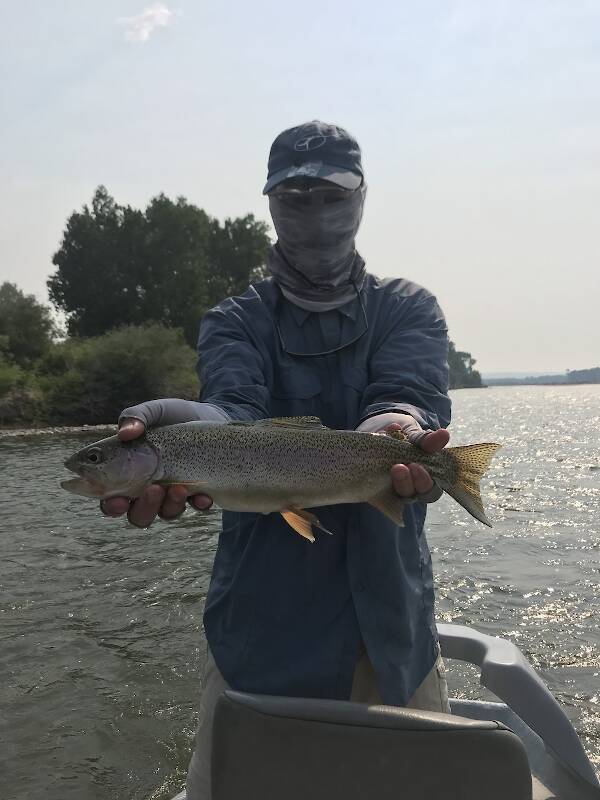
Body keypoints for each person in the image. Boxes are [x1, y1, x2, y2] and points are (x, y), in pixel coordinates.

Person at [101, 120, 452, 800]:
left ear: (361, 198)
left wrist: (398, 430)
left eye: (330, 195)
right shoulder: (234, 320)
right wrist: (188, 429)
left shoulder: (407, 310)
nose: (313, 213)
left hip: (392, 632)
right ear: (270, 204)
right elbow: (231, 411)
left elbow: (405, 396)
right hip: (263, 634)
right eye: (294, 197)